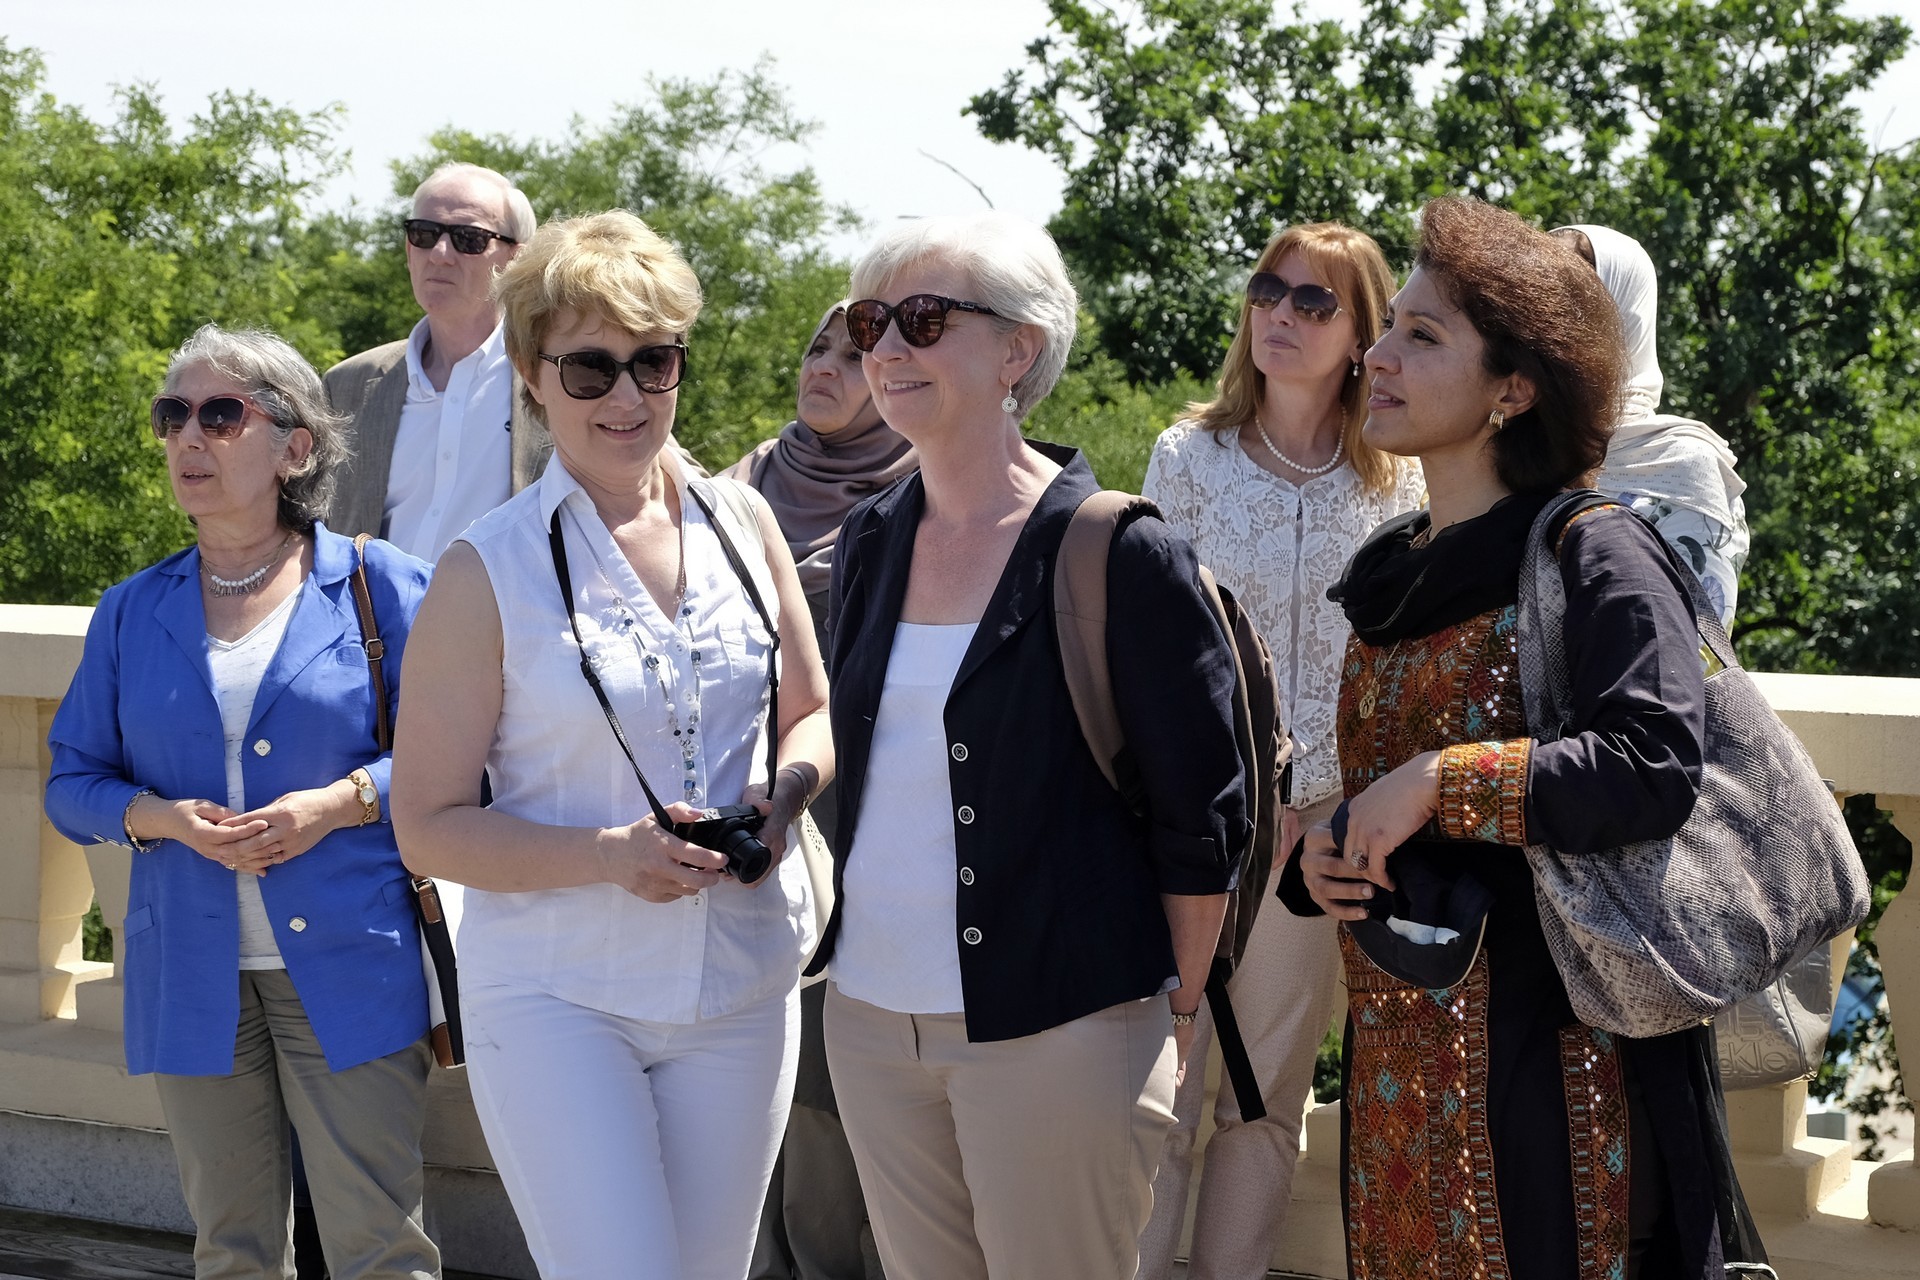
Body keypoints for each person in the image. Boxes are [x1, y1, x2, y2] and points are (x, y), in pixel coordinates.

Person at [1278, 196, 1763, 1278]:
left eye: (1422, 336)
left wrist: (1435, 781)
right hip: (1402, 1068)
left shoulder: (1596, 550)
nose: (1376, 356)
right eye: (1388, 327)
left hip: (1557, 1064)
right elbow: (1385, 790)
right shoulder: (1394, 571)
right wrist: (1328, 851)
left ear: (1515, 388)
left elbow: (1651, 765)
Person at [390, 210, 834, 1280]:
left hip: (743, 984)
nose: (627, 397)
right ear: (532, 376)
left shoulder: (745, 523)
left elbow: (812, 709)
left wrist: (784, 798)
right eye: (590, 368)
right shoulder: (484, 568)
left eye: (654, 361)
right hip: (558, 996)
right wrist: (607, 854)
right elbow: (426, 825)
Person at [814, 210, 1250, 1279]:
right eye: (871, 322)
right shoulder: (871, 535)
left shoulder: (1120, 549)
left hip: (1062, 1026)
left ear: (1019, 348)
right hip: (869, 1020)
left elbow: (1202, 815)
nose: (887, 347)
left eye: (924, 318)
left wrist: (1175, 1010)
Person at [44, 325, 439, 1280]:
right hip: (190, 969)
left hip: (349, 962)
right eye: (173, 414)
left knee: (379, 1247)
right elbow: (71, 783)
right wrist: (162, 819)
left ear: (295, 448)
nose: (190, 436)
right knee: (231, 1251)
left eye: (222, 415)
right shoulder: (131, 609)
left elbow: (459, 760)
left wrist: (337, 803)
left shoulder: (380, 586)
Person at [1136, 222, 1424, 1280]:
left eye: (1314, 301)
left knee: (1263, 1100)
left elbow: (1406, 664)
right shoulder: (1188, 458)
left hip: (1322, 841)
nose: (1281, 314)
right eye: (1269, 289)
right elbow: (1149, 651)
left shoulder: (1402, 484)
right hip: (1194, 827)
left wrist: (1336, 808)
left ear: (1362, 336)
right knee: (1159, 1092)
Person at [729, 301, 912, 1280]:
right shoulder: (739, 487)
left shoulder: (922, 493)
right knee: (752, 1053)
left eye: (855, 354)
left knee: (837, 1071)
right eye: (817, 347)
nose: (826, 368)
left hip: (868, 818)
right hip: (744, 816)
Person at [323, 163, 547, 561]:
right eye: (425, 234)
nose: (440, 254)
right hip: (369, 603)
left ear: (516, 258)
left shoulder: (557, 377)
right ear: (409, 250)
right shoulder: (346, 386)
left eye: (469, 238)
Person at [1552, 224, 1749, 629]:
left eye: (1572, 295)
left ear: (1623, 316)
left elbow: (1696, 643)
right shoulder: (1500, 439)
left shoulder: (1683, 467)